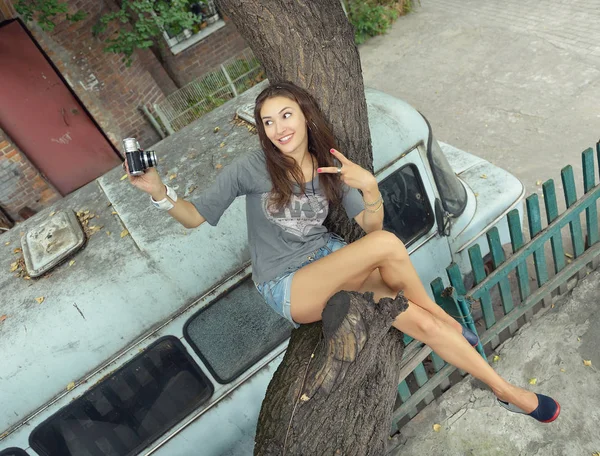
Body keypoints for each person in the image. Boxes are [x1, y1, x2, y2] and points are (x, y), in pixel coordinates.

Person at [125, 81, 560, 423]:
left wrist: (369, 187)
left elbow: (370, 226)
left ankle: (506, 391)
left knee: (423, 323)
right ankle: (450, 318)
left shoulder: (330, 164)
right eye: (268, 122)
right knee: (391, 249)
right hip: (288, 284)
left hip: (330, 260)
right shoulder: (251, 169)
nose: (279, 128)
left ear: (304, 115)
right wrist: (159, 192)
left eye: (285, 115)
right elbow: (195, 216)